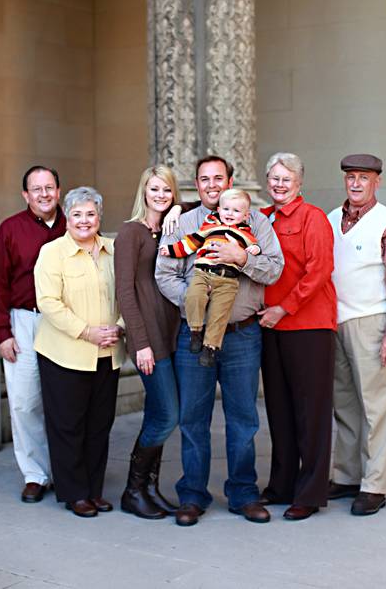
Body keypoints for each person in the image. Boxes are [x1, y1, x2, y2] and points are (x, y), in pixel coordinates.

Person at [156, 155, 283, 526]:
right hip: (193, 335)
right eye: (204, 179)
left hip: (243, 335)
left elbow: (274, 268)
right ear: (196, 185)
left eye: (218, 178)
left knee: (243, 417)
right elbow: (165, 274)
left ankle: (243, 493)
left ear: (230, 180)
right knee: (193, 417)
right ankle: (193, 495)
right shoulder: (183, 222)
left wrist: (242, 257)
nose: (211, 184)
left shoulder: (256, 220)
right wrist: (198, 306)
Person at [327, 154, 386, 516]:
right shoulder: (333, 219)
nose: (355, 183)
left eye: (363, 177)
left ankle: (374, 485)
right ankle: (347, 475)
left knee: (377, 408)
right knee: (345, 404)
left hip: (372, 322)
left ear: (377, 181)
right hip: (335, 323)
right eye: (350, 177)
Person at [34, 186, 125, 518]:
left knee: (99, 423)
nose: (84, 220)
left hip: (108, 352)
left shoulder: (115, 250)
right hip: (65, 353)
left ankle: (94, 489)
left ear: (99, 217)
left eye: (91, 213)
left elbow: (129, 294)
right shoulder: (52, 252)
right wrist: (87, 332)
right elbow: (48, 303)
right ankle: (74, 493)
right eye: (77, 214)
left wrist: (118, 325)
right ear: (67, 217)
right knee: (68, 424)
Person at [258, 153, 337, 521]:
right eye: (274, 177)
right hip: (271, 328)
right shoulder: (262, 218)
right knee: (279, 409)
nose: (279, 184)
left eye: (286, 178)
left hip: (308, 327)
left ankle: (310, 492)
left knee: (311, 413)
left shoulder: (313, 218)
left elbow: (319, 271)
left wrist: (283, 308)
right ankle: (281, 485)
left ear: (300, 182)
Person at [0, 165, 65, 503]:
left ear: (59, 191)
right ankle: (36, 474)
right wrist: (2, 332)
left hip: (66, 322)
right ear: (25, 195)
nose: (44, 194)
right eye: (36, 189)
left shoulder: (73, 224)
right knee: (24, 401)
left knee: (65, 402)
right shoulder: (9, 230)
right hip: (24, 321)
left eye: (49, 188)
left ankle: (67, 472)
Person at [114, 165, 183, 520]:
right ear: (144, 191)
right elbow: (125, 292)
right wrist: (139, 343)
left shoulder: (170, 228)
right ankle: (132, 489)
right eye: (154, 189)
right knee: (167, 414)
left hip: (172, 334)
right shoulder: (131, 233)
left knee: (161, 412)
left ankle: (149, 489)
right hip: (148, 340)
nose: (160, 195)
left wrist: (175, 212)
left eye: (167, 190)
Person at [160, 189, 260, 367]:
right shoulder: (210, 227)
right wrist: (171, 250)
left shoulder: (246, 233)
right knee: (193, 296)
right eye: (226, 209)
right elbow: (191, 243)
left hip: (227, 280)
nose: (230, 214)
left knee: (218, 315)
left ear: (246, 215)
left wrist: (253, 250)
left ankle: (210, 348)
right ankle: (196, 331)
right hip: (203, 274)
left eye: (236, 211)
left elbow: (253, 248)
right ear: (219, 210)